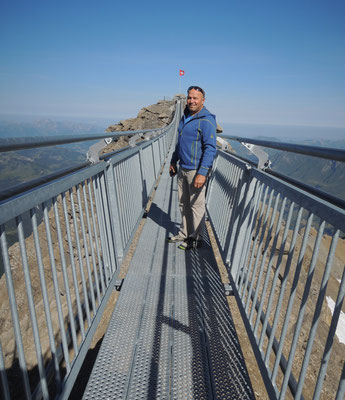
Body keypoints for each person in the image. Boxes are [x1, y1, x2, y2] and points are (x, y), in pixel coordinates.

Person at [168, 86, 217, 250]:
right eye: (190, 97)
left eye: (196, 98)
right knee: (183, 203)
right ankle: (183, 234)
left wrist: (202, 173)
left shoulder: (207, 120)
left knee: (196, 206)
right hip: (183, 168)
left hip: (196, 170)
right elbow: (179, 142)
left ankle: (195, 238)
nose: (191, 101)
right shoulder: (185, 116)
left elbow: (210, 148)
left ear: (203, 100)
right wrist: (174, 161)